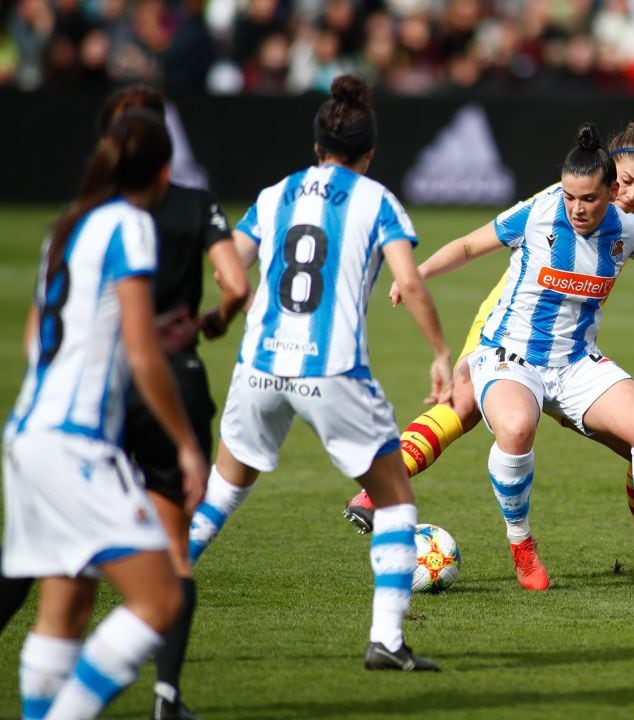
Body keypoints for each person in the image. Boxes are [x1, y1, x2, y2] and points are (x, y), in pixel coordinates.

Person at [345, 104, 634, 585]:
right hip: (508, 322)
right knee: (468, 406)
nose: (631, 194)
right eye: (624, 181)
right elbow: (471, 245)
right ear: (605, 172)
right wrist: (416, 278)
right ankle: (380, 491)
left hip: (572, 352)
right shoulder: (555, 205)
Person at [185, 74, 452, 670]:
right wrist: (439, 353)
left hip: (259, 365)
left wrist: (232, 313)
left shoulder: (276, 193)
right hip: (332, 369)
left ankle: (162, 582)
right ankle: (386, 640)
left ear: (316, 148)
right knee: (395, 501)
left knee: (223, 490)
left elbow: (232, 263)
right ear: (370, 153)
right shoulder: (376, 199)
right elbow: (409, 282)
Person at [0, 84, 250, 720]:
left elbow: (39, 337)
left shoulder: (70, 221)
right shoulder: (131, 223)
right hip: (77, 440)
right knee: (161, 598)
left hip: (27, 433)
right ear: (165, 170)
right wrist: (190, 448)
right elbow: (144, 356)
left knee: (66, 607)